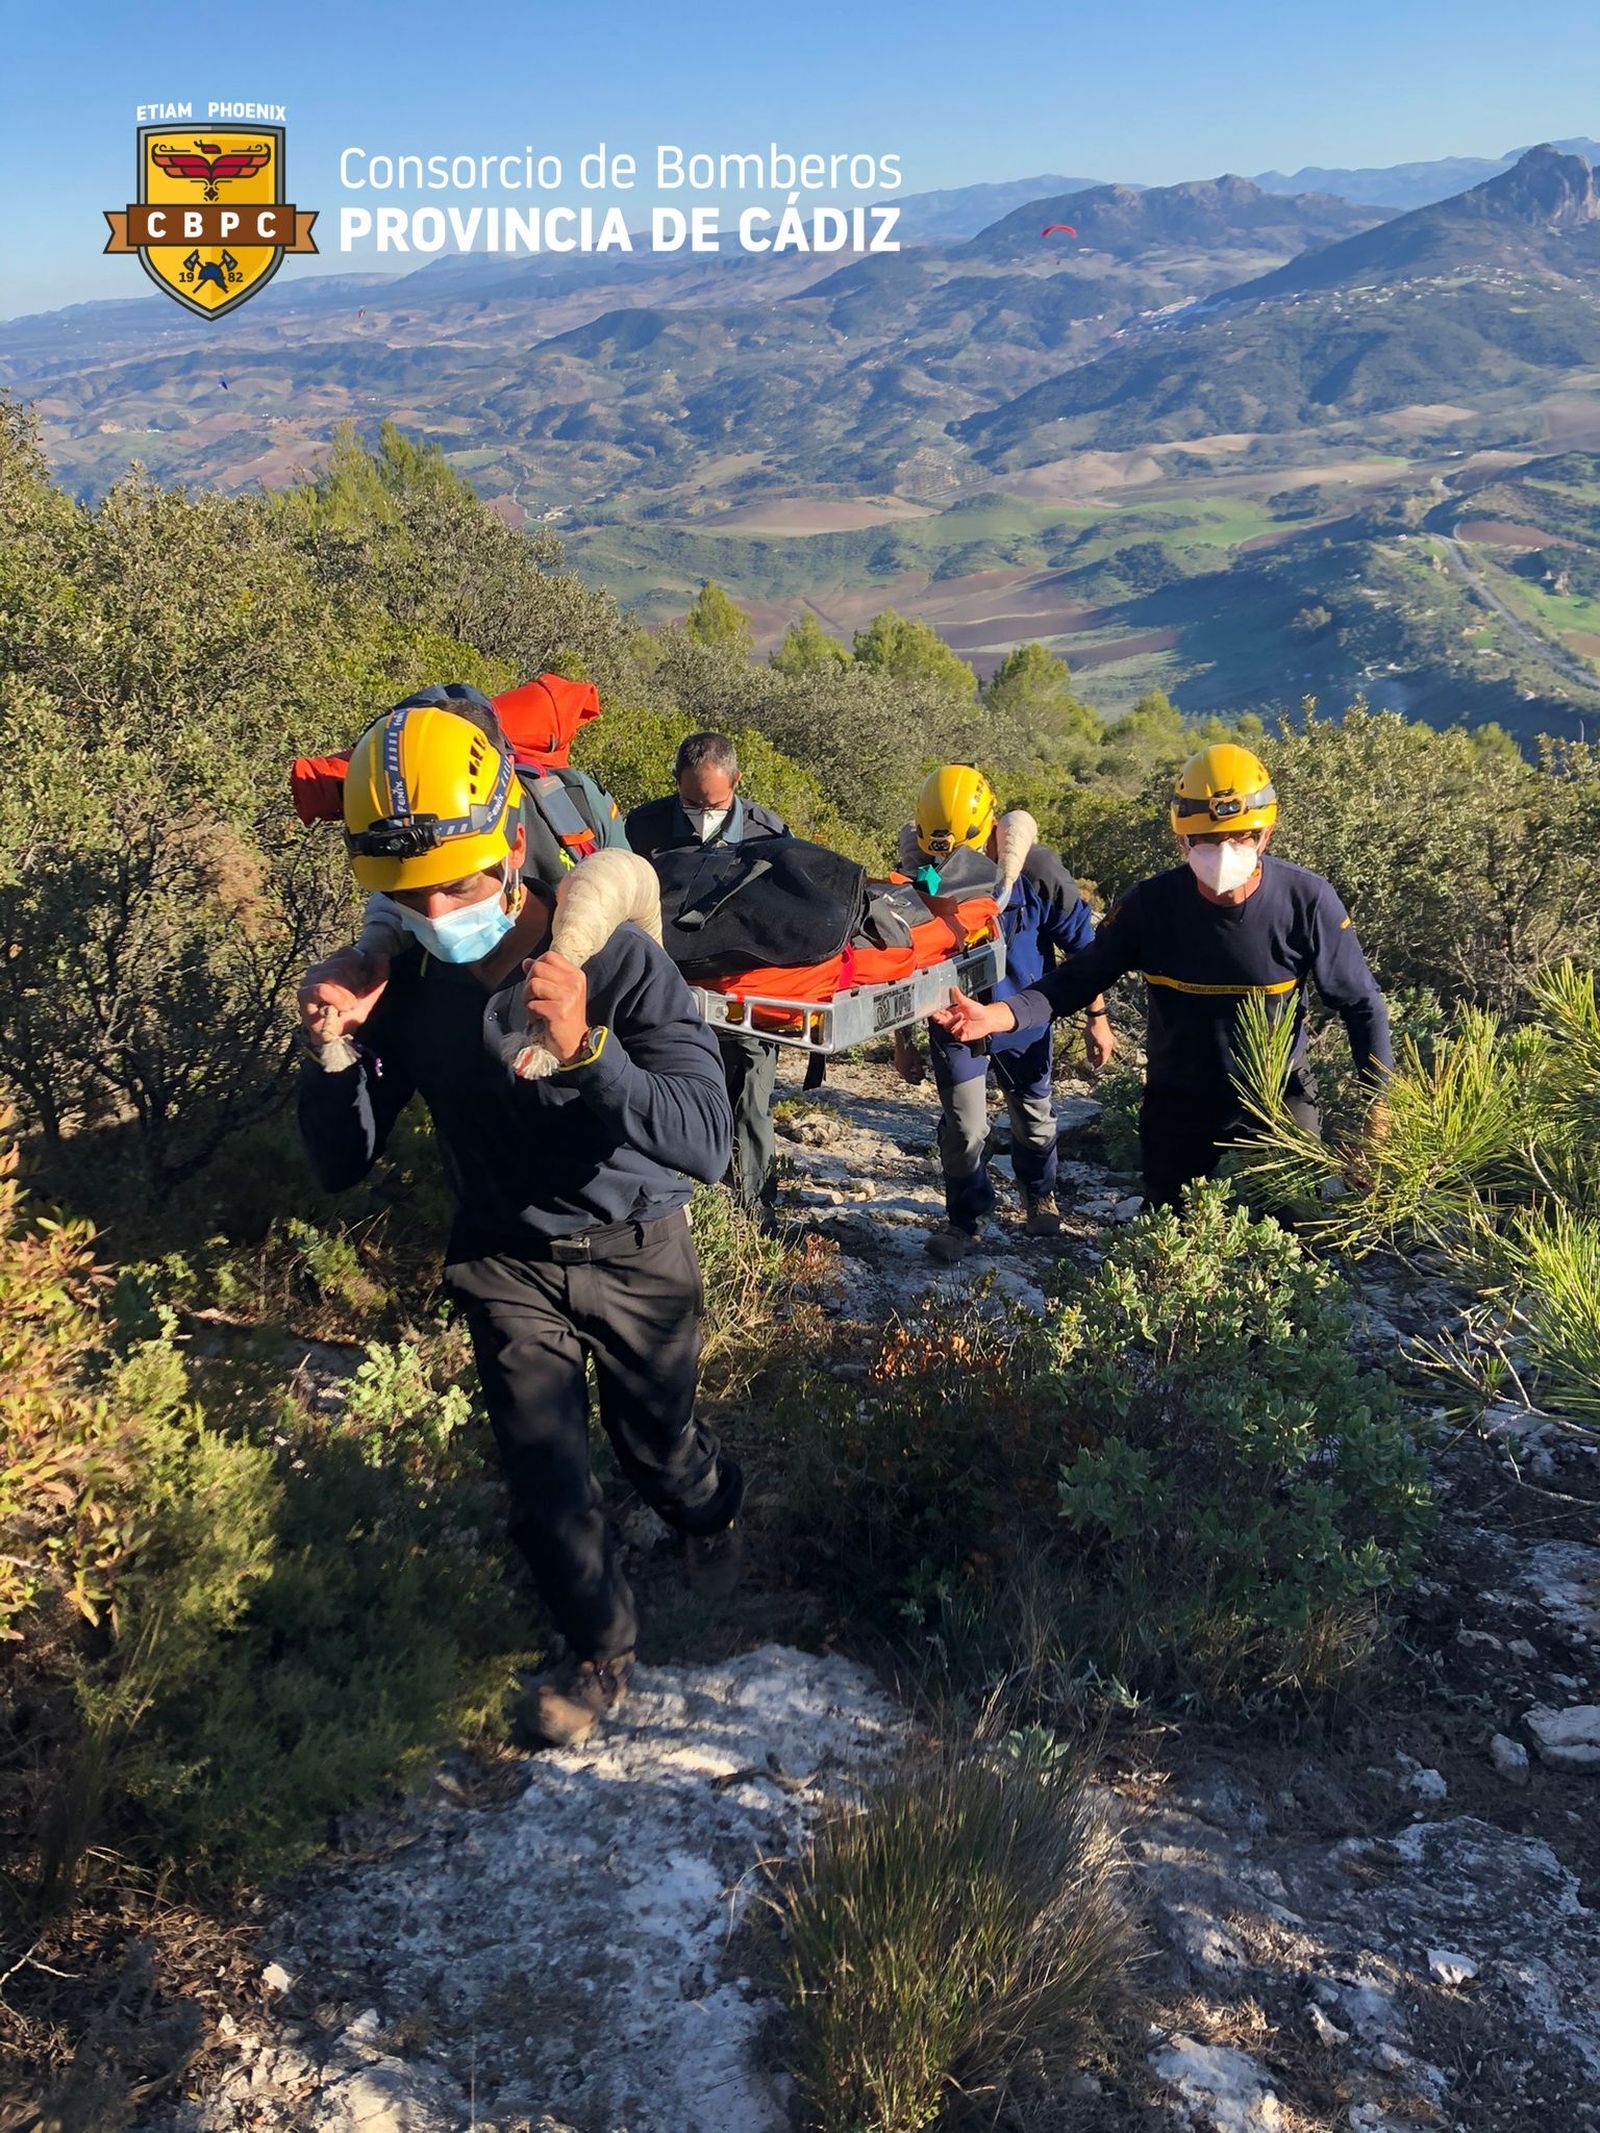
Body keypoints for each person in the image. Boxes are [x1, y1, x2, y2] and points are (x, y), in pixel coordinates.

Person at [296, 701, 743, 1749]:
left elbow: (705, 1138)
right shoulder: (407, 986)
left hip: (635, 1245)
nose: (438, 911)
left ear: (507, 848)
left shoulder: (619, 963)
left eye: (458, 883)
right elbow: (342, 1163)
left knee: (659, 1451)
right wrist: (334, 1048)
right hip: (505, 1257)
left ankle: (710, 1511)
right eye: (410, 895)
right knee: (545, 1478)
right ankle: (601, 1650)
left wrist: (588, 1051)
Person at [932, 742, 1392, 1209]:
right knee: (1166, 1227)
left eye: (1241, 836)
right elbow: (1077, 979)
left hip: (1278, 1096)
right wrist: (999, 1015)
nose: (1223, 851)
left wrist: (1380, 1102)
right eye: (1205, 839)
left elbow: (1361, 1003)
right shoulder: (1152, 905)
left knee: (1292, 1227)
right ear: (1181, 840)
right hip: (1178, 1100)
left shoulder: (1306, 901)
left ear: (1266, 834)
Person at [894, 764, 1114, 1262]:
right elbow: (902, 968)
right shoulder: (920, 878)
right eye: (942, 853)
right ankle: (965, 1222)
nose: (953, 863)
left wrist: (1097, 1017)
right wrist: (903, 1042)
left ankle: (1039, 1194)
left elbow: (1085, 949)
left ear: (991, 826)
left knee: (1034, 1118)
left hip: (1024, 1016)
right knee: (964, 1128)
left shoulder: (1037, 872)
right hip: (954, 1023)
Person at [626, 733, 789, 1222]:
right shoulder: (642, 826)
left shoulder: (767, 832)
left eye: (713, 805)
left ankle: (751, 1211)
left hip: (742, 985)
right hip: (665, 981)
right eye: (690, 804)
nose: (702, 815)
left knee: (750, 1096)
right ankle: (666, 1205)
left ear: (737, 782)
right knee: (662, 1088)